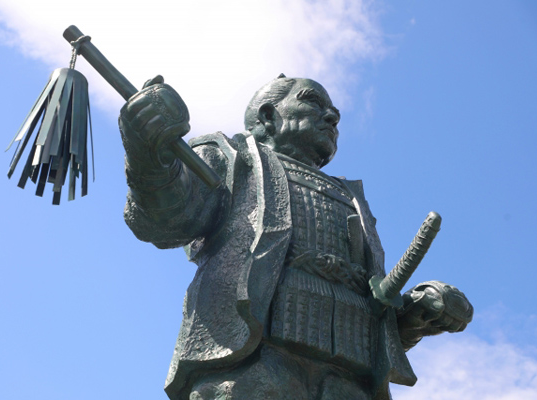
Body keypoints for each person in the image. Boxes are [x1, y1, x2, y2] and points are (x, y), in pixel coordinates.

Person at [118, 75, 473, 400]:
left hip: (349, 383)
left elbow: (371, 310)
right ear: (268, 115)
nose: (331, 117)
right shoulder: (231, 158)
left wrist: (415, 316)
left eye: (335, 113)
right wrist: (149, 155)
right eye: (313, 102)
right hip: (252, 367)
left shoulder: (352, 198)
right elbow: (165, 220)